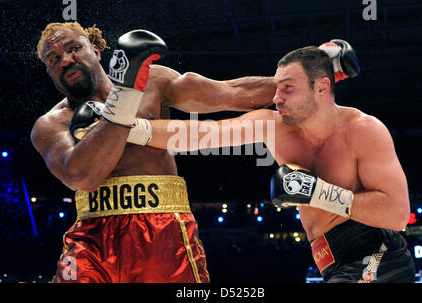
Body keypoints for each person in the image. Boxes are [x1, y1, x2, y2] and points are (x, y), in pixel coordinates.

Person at [140, 41, 416, 283]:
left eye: (287, 89)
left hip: (378, 254)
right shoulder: (272, 126)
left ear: (322, 87)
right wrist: (131, 128)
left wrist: (320, 194)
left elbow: (397, 214)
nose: (275, 98)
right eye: (276, 87)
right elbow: (202, 135)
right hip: (330, 263)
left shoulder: (363, 130)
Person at [30, 21, 276, 283]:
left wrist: (306, 81)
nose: (66, 60)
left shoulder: (153, 81)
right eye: (54, 58)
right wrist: (124, 96)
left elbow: (232, 93)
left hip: (164, 231)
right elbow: (82, 177)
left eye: (74, 48)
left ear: (96, 50)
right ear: (49, 71)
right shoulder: (51, 124)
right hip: (92, 240)